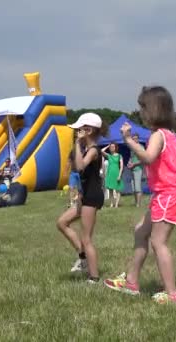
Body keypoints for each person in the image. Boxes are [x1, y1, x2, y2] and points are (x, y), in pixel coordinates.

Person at [104, 86, 176, 304]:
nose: (140, 113)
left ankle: (172, 294)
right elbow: (156, 159)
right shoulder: (166, 134)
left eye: (142, 107)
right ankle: (132, 281)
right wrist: (138, 157)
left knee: (158, 242)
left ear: (153, 109)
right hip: (167, 192)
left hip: (169, 193)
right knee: (140, 231)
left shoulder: (157, 135)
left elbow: (151, 156)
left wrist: (129, 141)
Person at [56, 112, 108, 284]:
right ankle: (82, 256)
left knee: (86, 239)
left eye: (80, 129)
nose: (77, 132)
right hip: (86, 194)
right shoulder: (87, 149)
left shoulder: (93, 150)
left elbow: (79, 167)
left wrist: (77, 143)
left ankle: (94, 277)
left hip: (92, 196)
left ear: (89, 130)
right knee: (62, 223)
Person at [101, 143, 124, 208]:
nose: (112, 148)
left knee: (118, 189)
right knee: (110, 189)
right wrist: (108, 146)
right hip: (109, 173)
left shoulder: (119, 156)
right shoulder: (109, 156)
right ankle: (111, 203)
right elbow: (101, 151)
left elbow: (121, 166)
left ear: (116, 147)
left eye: (113, 147)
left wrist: (119, 175)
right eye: (111, 147)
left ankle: (116, 204)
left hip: (116, 173)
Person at [127, 134, 144, 207]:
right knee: (133, 188)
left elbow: (143, 160)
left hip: (138, 169)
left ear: (138, 139)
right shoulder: (132, 148)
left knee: (138, 188)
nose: (134, 140)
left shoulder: (141, 147)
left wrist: (134, 164)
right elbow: (131, 158)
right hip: (132, 169)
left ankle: (138, 204)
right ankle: (136, 202)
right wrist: (129, 163)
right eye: (133, 139)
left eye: (135, 139)